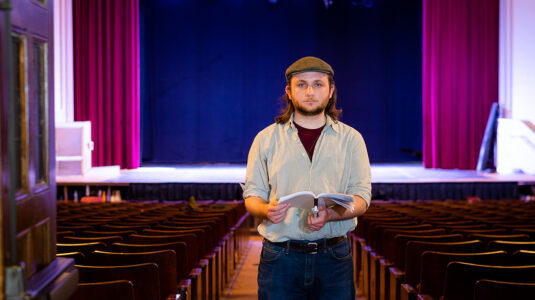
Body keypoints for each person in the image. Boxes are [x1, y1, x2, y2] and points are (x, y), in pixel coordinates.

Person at [242, 56, 372, 300]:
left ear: (331, 90)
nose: (310, 91)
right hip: (280, 258)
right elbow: (252, 196)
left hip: (335, 257)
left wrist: (331, 214)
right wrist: (265, 209)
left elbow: (362, 198)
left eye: (318, 84)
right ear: (289, 92)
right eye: (301, 84)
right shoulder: (265, 139)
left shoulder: (352, 139)